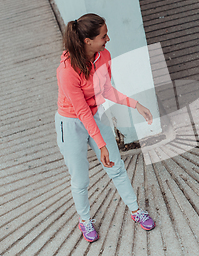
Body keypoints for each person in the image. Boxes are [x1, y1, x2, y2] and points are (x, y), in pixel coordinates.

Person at [55, 13, 156, 242]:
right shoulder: (67, 71)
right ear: (87, 41)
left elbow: (106, 90)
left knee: (116, 167)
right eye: (103, 36)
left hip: (94, 114)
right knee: (80, 179)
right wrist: (100, 144)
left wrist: (136, 105)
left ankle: (135, 211)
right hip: (71, 123)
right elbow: (80, 111)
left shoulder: (103, 55)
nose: (108, 39)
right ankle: (84, 221)